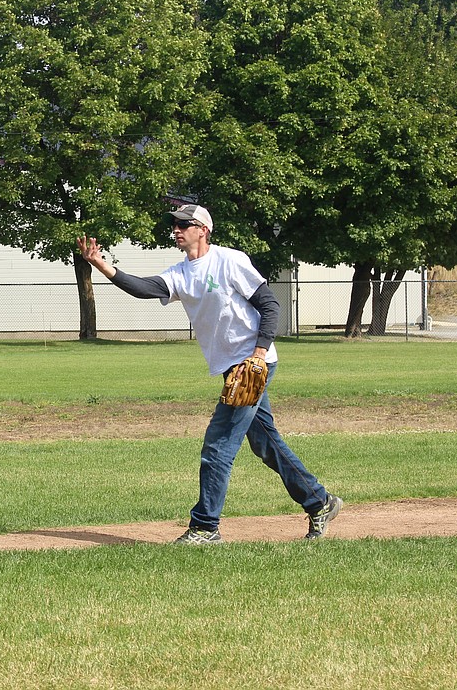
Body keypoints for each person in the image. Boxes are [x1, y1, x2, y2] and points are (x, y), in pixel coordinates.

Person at [77, 204, 342, 543]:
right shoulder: (181, 274)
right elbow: (145, 288)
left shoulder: (229, 260)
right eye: (175, 225)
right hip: (231, 367)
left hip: (252, 365)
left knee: (218, 446)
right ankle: (320, 501)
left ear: (203, 229)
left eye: (184, 224)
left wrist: (259, 353)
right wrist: (101, 265)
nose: (177, 230)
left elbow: (269, 305)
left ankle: (205, 526)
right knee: (265, 443)